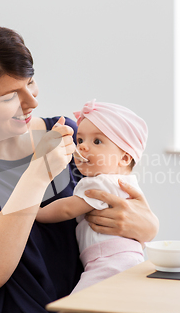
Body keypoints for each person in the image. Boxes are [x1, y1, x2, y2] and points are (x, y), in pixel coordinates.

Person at [0, 22, 159, 313]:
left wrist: (148, 226)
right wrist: (36, 176)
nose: (32, 101)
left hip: (94, 303)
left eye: (30, 83)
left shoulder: (65, 135)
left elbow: (116, 203)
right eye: (9, 97)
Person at [36, 99, 148, 293]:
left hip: (109, 261)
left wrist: (36, 212)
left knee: (76, 310)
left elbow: (67, 208)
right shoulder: (127, 182)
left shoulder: (100, 182)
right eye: (80, 140)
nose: (83, 147)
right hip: (127, 259)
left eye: (97, 141)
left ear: (125, 157)